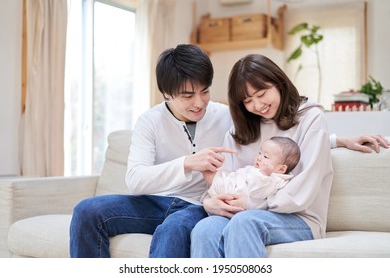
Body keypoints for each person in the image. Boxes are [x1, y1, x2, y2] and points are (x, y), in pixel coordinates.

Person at [70, 44, 389, 258]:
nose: (199, 102)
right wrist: (199, 180)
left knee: (209, 225)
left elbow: (292, 147)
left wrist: (338, 140)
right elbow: (141, 180)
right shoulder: (161, 122)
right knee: (91, 211)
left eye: (205, 92)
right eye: (187, 95)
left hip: (248, 211)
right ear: (167, 94)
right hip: (179, 203)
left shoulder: (244, 116)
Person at [190, 53, 389, 258]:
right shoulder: (237, 133)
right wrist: (210, 202)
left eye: (261, 94)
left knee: (245, 223)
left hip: (298, 217)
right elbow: (225, 180)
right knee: (205, 229)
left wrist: (252, 203)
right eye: (248, 100)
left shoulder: (310, 117)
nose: (257, 106)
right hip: (243, 212)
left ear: (278, 82)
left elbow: (303, 191)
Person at [202, 136, 300, 210]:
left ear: (281, 169)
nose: (259, 157)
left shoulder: (273, 180)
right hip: (234, 182)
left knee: (209, 172)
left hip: (233, 192)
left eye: (265, 157)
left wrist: (264, 175)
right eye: (260, 153)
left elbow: (258, 192)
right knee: (212, 171)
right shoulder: (262, 171)